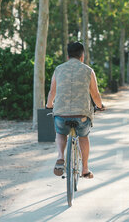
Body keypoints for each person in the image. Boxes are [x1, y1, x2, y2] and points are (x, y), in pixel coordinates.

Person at [46, 42, 105, 179]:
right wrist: (100, 106)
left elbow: (52, 91)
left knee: (61, 133)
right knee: (83, 137)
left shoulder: (58, 69)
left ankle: (61, 157)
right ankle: (85, 169)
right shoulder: (88, 70)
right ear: (82, 56)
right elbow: (95, 95)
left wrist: (49, 105)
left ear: (67, 56)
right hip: (82, 115)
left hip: (61, 114)